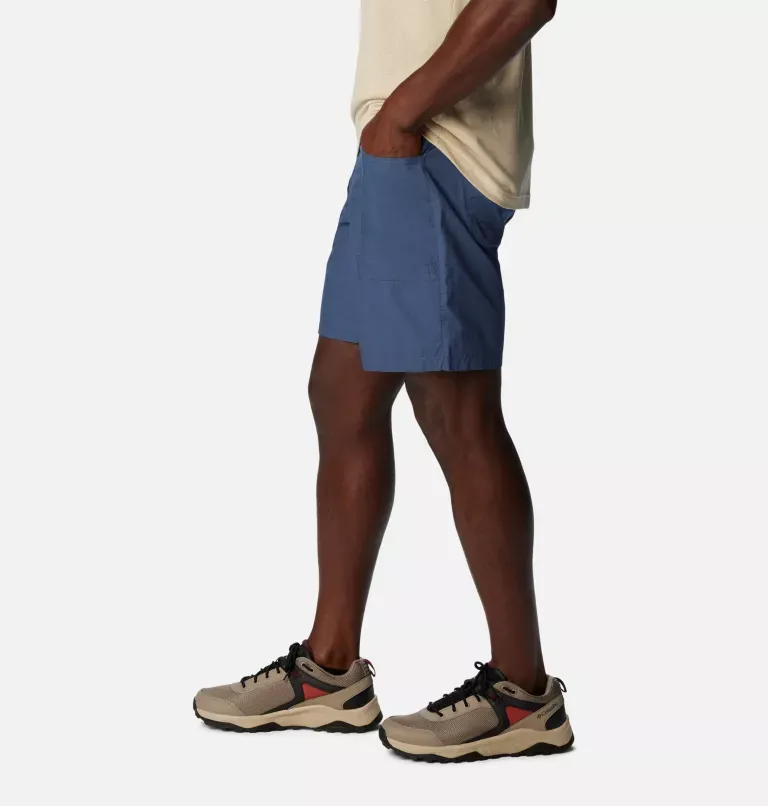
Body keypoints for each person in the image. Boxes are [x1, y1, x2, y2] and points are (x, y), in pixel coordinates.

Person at [194, 0, 572, 762]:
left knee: (456, 415)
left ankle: (522, 692)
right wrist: (390, 127)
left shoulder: (417, 129)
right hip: (397, 152)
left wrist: (402, 114)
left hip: (435, 146)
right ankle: (329, 670)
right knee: (342, 394)